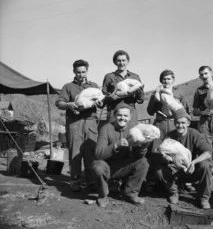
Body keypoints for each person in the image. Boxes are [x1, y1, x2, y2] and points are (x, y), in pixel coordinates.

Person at [55, 59, 102, 192]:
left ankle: (91, 181)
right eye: (78, 72)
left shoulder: (94, 85)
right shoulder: (68, 87)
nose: (81, 74)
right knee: (75, 152)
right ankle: (75, 181)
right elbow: (59, 103)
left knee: (91, 153)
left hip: (91, 122)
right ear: (74, 72)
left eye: (83, 71)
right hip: (75, 123)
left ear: (87, 71)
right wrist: (69, 105)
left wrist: (100, 103)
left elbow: (101, 101)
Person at [92, 103, 150, 208]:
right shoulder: (106, 128)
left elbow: (138, 156)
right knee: (97, 166)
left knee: (143, 162)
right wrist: (115, 145)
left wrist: (143, 148)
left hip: (124, 168)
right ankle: (102, 195)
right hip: (108, 168)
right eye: (119, 115)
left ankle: (130, 193)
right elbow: (98, 154)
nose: (122, 118)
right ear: (114, 116)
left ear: (130, 117)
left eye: (125, 116)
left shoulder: (134, 129)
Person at [155, 108, 213, 208]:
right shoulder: (170, 135)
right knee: (159, 170)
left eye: (183, 123)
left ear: (188, 123)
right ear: (174, 123)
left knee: (205, 165)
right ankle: (174, 192)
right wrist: (165, 157)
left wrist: (194, 162)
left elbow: (208, 152)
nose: (180, 125)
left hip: (191, 169)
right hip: (175, 170)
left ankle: (203, 198)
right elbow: (162, 153)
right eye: (177, 123)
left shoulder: (194, 134)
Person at [146, 69, 190, 192]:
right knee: (155, 150)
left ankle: (182, 179)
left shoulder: (179, 94)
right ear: (161, 80)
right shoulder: (156, 93)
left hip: (174, 124)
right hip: (160, 123)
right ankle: (152, 180)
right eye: (164, 79)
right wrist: (155, 98)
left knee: (177, 150)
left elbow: (186, 110)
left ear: (173, 80)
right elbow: (150, 111)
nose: (166, 81)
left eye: (169, 78)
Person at [102, 50, 144, 124]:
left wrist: (139, 93)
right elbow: (104, 97)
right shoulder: (109, 77)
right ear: (115, 62)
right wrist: (111, 98)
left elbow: (141, 100)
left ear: (128, 61)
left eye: (123, 60)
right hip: (114, 112)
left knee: (131, 134)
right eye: (119, 61)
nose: (121, 63)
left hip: (131, 112)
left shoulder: (135, 77)